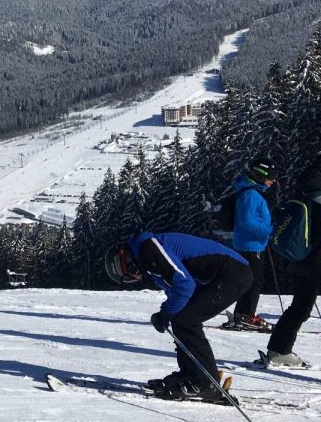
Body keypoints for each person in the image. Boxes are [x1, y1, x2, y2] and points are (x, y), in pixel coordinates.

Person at [106, 231, 252, 402]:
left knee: (186, 321)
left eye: (130, 277)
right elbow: (178, 287)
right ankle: (193, 374)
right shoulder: (146, 253)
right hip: (226, 274)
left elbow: (184, 285)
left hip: (233, 273)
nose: (136, 278)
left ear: (128, 263)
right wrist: (168, 313)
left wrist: (166, 313)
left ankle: (206, 383)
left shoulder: (148, 249)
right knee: (182, 318)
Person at [260, 167, 321, 368]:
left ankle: (279, 350)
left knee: (300, 307)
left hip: (300, 258)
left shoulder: (304, 192)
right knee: (301, 307)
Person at [224, 158, 277, 331]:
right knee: (254, 282)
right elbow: (247, 222)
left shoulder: (251, 192)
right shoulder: (250, 195)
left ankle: (243, 314)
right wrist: (268, 230)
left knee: (250, 280)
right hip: (250, 245)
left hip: (252, 244)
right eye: (271, 176)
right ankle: (246, 316)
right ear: (260, 175)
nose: (273, 180)